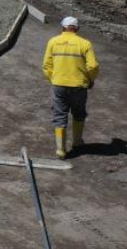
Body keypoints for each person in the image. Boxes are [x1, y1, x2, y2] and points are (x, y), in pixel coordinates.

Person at [43, 16, 98, 159]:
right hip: (79, 86)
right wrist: (90, 80)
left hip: (59, 85)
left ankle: (61, 150)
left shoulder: (53, 42)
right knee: (79, 113)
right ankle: (77, 142)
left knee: (60, 115)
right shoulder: (84, 43)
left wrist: (54, 79)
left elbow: (46, 66)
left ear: (62, 27)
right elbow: (92, 66)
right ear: (77, 29)